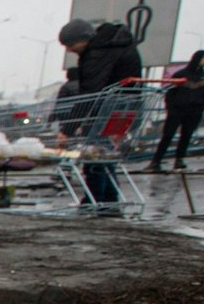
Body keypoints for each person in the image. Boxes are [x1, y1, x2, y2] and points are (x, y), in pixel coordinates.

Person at [59, 17, 144, 206]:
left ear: (84, 39)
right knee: (105, 155)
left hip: (106, 109)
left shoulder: (98, 54)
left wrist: (67, 130)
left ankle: (94, 200)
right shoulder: (118, 44)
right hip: (124, 107)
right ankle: (109, 199)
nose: (69, 49)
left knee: (95, 155)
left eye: (71, 44)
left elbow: (90, 93)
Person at [147, 49, 204, 172]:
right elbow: (171, 92)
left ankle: (179, 160)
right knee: (168, 135)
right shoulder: (181, 74)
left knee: (186, 135)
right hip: (177, 109)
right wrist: (171, 107)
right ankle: (156, 161)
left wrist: (202, 106)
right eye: (203, 58)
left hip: (194, 110)